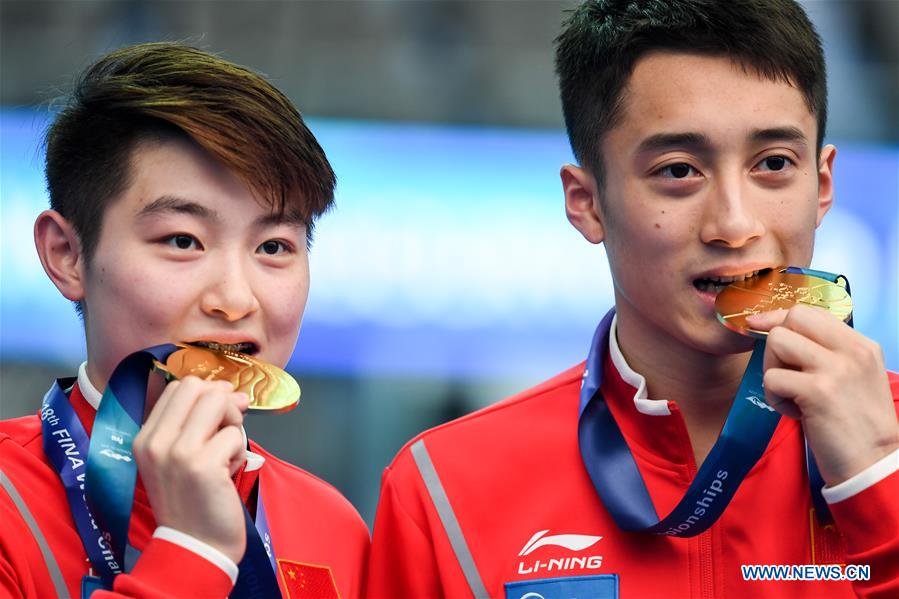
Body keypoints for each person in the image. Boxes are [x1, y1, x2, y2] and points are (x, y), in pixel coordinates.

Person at [365, 1, 899, 597]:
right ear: (587, 202)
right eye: (677, 171)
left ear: (822, 186)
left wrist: (877, 477)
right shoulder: (445, 487)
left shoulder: (892, 439)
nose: (734, 223)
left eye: (774, 164)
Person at [0, 43, 368, 598]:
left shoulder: (334, 526)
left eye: (273, 246)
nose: (235, 298)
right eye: (182, 240)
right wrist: (193, 551)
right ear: (66, 255)